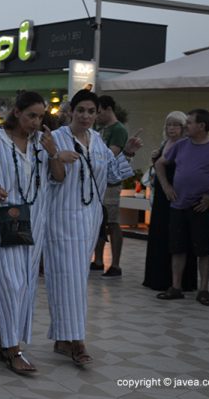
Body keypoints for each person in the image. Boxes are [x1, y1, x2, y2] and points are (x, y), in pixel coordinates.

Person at [44, 90, 141, 367]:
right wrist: (56, 157)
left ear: (97, 113)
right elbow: (51, 177)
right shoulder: (57, 139)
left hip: (89, 220)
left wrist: (129, 153)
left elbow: (112, 176)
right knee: (68, 279)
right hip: (62, 217)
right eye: (81, 110)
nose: (86, 116)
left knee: (73, 279)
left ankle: (63, 339)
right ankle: (77, 341)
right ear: (70, 111)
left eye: (91, 111)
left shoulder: (98, 141)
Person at [0, 92, 65, 374]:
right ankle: (12, 348)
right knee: (9, 284)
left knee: (26, 287)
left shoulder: (41, 144)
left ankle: (6, 344)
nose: (36, 121)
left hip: (33, 222)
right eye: (31, 115)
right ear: (16, 112)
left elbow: (59, 176)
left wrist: (53, 151)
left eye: (40, 116)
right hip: (3, 221)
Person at [154, 109, 209, 307]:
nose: (185, 126)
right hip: (178, 204)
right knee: (177, 247)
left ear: (201, 126)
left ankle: (204, 290)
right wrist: (166, 186)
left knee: (203, 250)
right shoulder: (180, 145)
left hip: (201, 207)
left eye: (189, 123)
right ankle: (176, 287)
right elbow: (160, 164)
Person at [142, 111, 198, 292]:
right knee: (160, 233)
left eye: (175, 125)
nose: (171, 128)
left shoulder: (186, 145)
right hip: (161, 196)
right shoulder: (165, 144)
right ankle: (157, 277)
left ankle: (178, 281)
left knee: (178, 236)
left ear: (183, 128)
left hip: (177, 194)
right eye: (169, 125)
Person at [92, 95, 129, 278]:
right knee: (99, 221)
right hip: (98, 182)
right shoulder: (99, 128)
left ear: (107, 109)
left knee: (112, 222)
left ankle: (115, 263)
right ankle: (98, 260)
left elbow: (111, 154)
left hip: (111, 183)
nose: (96, 116)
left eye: (98, 112)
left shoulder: (118, 130)